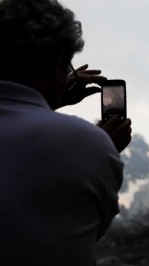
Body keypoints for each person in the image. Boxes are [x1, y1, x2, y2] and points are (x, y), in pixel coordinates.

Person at [0, 0, 131, 265]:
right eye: (67, 66)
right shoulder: (89, 145)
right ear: (59, 61)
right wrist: (103, 146)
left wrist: (50, 99)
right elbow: (84, 231)